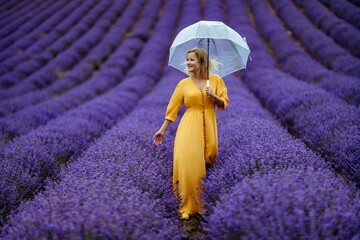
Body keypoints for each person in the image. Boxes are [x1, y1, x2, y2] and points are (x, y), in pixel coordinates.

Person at [153, 48, 229, 220]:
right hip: (189, 127)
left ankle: (204, 205)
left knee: (208, 163)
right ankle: (187, 207)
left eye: (192, 59)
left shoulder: (216, 80)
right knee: (190, 166)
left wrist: (215, 97)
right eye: (187, 59)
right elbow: (172, 110)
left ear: (201, 61)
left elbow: (224, 102)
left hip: (210, 125)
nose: (188, 63)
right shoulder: (183, 84)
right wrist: (162, 130)